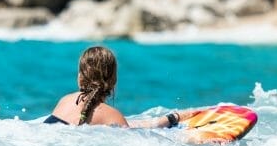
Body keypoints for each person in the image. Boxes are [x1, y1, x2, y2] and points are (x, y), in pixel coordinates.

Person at [44, 45, 192, 128]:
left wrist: (164, 121)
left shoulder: (64, 101)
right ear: (113, 81)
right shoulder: (112, 116)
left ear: (80, 77)